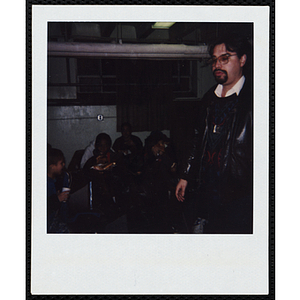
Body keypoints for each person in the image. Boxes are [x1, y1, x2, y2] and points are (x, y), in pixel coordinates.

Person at [175, 34, 253, 234]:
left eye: (225, 58)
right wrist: (185, 176)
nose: (217, 65)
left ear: (242, 59)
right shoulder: (209, 98)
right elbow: (197, 139)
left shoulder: (254, 100)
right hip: (207, 190)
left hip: (239, 194)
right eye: (214, 60)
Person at [47, 148, 70, 233]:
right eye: (61, 163)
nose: (64, 165)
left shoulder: (58, 179)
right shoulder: (45, 183)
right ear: (52, 166)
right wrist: (57, 199)